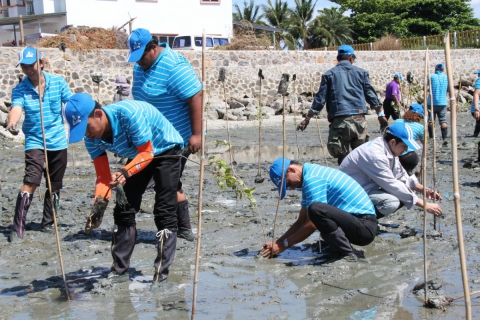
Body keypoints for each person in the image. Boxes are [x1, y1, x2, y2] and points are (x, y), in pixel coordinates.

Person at [64, 93, 184, 284]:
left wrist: (125, 172)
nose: (86, 134)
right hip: (140, 154)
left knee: (163, 210)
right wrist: (98, 209)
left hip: (166, 150)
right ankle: (119, 271)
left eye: (86, 127)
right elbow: (103, 177)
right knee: (123, 209)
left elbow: (148, 152)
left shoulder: (129, 115)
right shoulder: (92, 139)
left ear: (97, 114)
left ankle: (161, 275)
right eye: (81, 131)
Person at [128, 28, 203, 242]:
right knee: (157, 182)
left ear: (153, 48)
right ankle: (183, 228)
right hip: (149, 138)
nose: (138, 62)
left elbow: (195, 96)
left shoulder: (174, 66)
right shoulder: (139, 67)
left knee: (167, 184)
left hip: (175, 138)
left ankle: (183, 230)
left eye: (141, 56)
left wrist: (196, 135)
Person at [7, 47, 72, 242]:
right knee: (32, 180)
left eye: (31, 65)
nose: (28, 69)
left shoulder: (58, 83)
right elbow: (16, 108)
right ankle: (17, 227)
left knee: (55, 185)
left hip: (58, 141)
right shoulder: (20, 89)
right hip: (35, 141)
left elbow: (70, 104)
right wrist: (12, 122)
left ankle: (48, 223)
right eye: (24, 66)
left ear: (41, 63)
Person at [261, 158, 378, 262]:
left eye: (288, 183)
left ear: (291, 169)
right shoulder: (309, 176)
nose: (291, 187)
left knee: (316, 210)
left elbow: (312, 223)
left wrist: (284, 245)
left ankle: (347, 253)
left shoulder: (313, 179)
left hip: (365, 227)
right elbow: (301, 221)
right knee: (316, 210)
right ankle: (339, 248)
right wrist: (278, 242)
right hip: (355, 224)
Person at [297, 44, 385, 165]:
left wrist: (307, 118)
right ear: (350, 58)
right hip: (359, 120)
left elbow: (320, 99)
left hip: (339, 121)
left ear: (338, 58)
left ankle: (345, 180)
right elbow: (371, 95)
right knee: (361, 156)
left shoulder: (328, 75)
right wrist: (380, 114)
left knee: (342, 157)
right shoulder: (361, 73)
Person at [339, 121, 442, 219]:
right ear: (393, 142)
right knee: (392, 202)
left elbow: (401, 176)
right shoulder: (375, 155)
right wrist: (425, 205)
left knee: (403, 194)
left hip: (364, 188)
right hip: (348, 194)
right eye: (404, 146)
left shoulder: (388, 149)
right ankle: (357, 221)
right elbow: (391, 184)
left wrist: (425, 190)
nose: (406, 150)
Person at [396, 103, 425, 175]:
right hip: (408, 157)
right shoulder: (420, 127)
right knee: (405, 175)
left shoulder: (397, 121)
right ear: (419, 116)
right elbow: (425, 142)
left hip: (395, 155)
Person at [427, 63, 449, 140]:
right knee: (443, 120)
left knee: (431, 120)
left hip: (431, 102)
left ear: (435, 69)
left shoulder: (431, 76)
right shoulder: (446, 77)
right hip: (442, 102)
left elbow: (426, 86)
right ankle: (445, 138)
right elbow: (449, 89)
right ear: (443, 69)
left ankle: (431, 137)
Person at [470, 69, 480, 137]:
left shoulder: (479, 80)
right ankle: (475, 134)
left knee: (479, 122)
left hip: (477, 107)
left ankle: (475, 134)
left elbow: (476, 94)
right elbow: (476, 94)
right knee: (479, 121)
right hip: (478, 107)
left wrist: (476, 109)